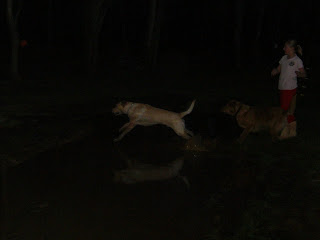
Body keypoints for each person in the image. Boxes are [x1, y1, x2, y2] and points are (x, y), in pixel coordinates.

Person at [271, 39, 306, 137]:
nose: (283, 49)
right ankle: (291, 131)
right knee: (285, 110)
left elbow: (304, 73)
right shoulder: (284, 58)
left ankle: (286, 132)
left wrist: (300, 74)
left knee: (286, 111)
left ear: (292, 49)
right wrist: (275, 71)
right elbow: (279, 69)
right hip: (282, 88)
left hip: (290, 89)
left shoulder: (297, 61)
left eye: (285, 47)